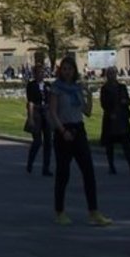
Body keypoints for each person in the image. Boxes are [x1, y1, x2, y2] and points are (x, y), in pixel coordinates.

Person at [47, 56, 110, 226]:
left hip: (78, 130)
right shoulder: (56, 88)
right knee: (63, 173)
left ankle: (93, 211)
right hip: (63, 131)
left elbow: (87, 112)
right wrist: (62, 131)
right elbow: (52, 112)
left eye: (70, 69)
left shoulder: (77, 89)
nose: (67, 72)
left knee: (88, 171)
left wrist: (88, 96)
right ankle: (60, 211)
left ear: (74, 70)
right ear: (60, 71)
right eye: (64, 69)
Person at [100, 68, 130, 175]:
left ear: (116, 74)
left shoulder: (122, 87)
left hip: (122, 118)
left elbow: (129, 100)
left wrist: (126, 101)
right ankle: (111, 166)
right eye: (109, 74)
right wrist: (111, 112)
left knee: (126, 144)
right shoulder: (104, 89)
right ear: (107, 75)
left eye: (113, 73)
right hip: (111, 119)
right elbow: (103, 103)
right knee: (109, 145)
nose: (112, 75)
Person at [24, 63, 52, 176]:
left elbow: (51, 100)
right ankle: (30, 162)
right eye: (39, 72)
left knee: (48, 141)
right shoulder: (31, 85)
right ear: (35, 74)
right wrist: (30, 118)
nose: (41, 74)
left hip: (46, 112)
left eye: (42, 72)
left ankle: (46, 168)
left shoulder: (47, 85)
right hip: (36, 112)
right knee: (37, 141)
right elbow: (30, 102)